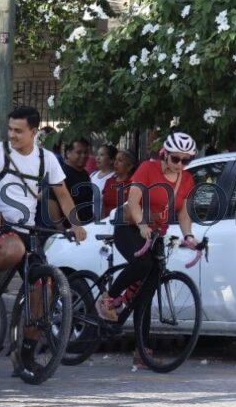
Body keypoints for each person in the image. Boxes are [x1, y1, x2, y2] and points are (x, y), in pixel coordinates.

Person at [0, 106, 87, 326]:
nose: (12, 135)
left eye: (18, 131)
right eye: (10, 129)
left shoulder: (46, 158)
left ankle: (28, 352)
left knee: (43, 289)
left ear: (34, 132)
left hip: (27, 230)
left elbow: (63, 194)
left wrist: (76, 224)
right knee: (14, 249)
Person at [97, 133, 200, 324]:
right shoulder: (148, 168)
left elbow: (184, 214)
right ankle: (108, 298)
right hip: (129, 225)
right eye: (175, 158)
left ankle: (142, 350)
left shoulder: (186, 179)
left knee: (148, 288)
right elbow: (134, 202)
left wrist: (189, 236)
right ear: (165, 154)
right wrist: (142, 225)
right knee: (143, 264)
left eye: (186, 160)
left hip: (155, 232)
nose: (180, 164)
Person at [60, 138, 94, 224]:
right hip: (69, 230)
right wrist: (60, 229)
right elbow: (51, 202)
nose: (83, 155)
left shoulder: (85, 174)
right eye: (79, 152)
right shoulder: (61, 175)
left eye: (86, 152)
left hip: (86, 227)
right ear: (68, 153)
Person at [101, 149, 136, 218]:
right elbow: (103, 205)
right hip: (107, 223)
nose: (115, 163)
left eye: (120, 160)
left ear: (129, 166)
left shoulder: (133, 184)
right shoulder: (109, 181)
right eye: (115, 160)